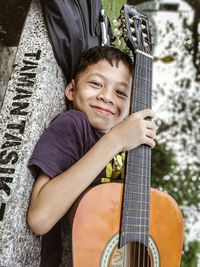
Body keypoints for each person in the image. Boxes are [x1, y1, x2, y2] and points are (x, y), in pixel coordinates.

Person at [27, 46, 156, 266]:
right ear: (71, 90)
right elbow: (39, 219)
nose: (106, 97)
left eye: (121, 93)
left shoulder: (129, 148)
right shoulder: (75, 124)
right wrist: (115, 140)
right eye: (96, 83)